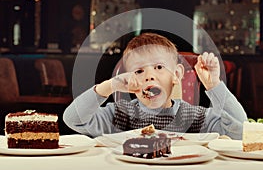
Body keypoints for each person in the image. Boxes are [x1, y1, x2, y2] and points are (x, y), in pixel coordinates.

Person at [63, 33, 247, 139]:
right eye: (139, 71)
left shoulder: (195, 117)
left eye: (159, 67)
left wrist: (213, 84)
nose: (149, 75)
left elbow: (239, 130)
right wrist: (109, 86)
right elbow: (73, 119)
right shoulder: (119, 115)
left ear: (176, 75)